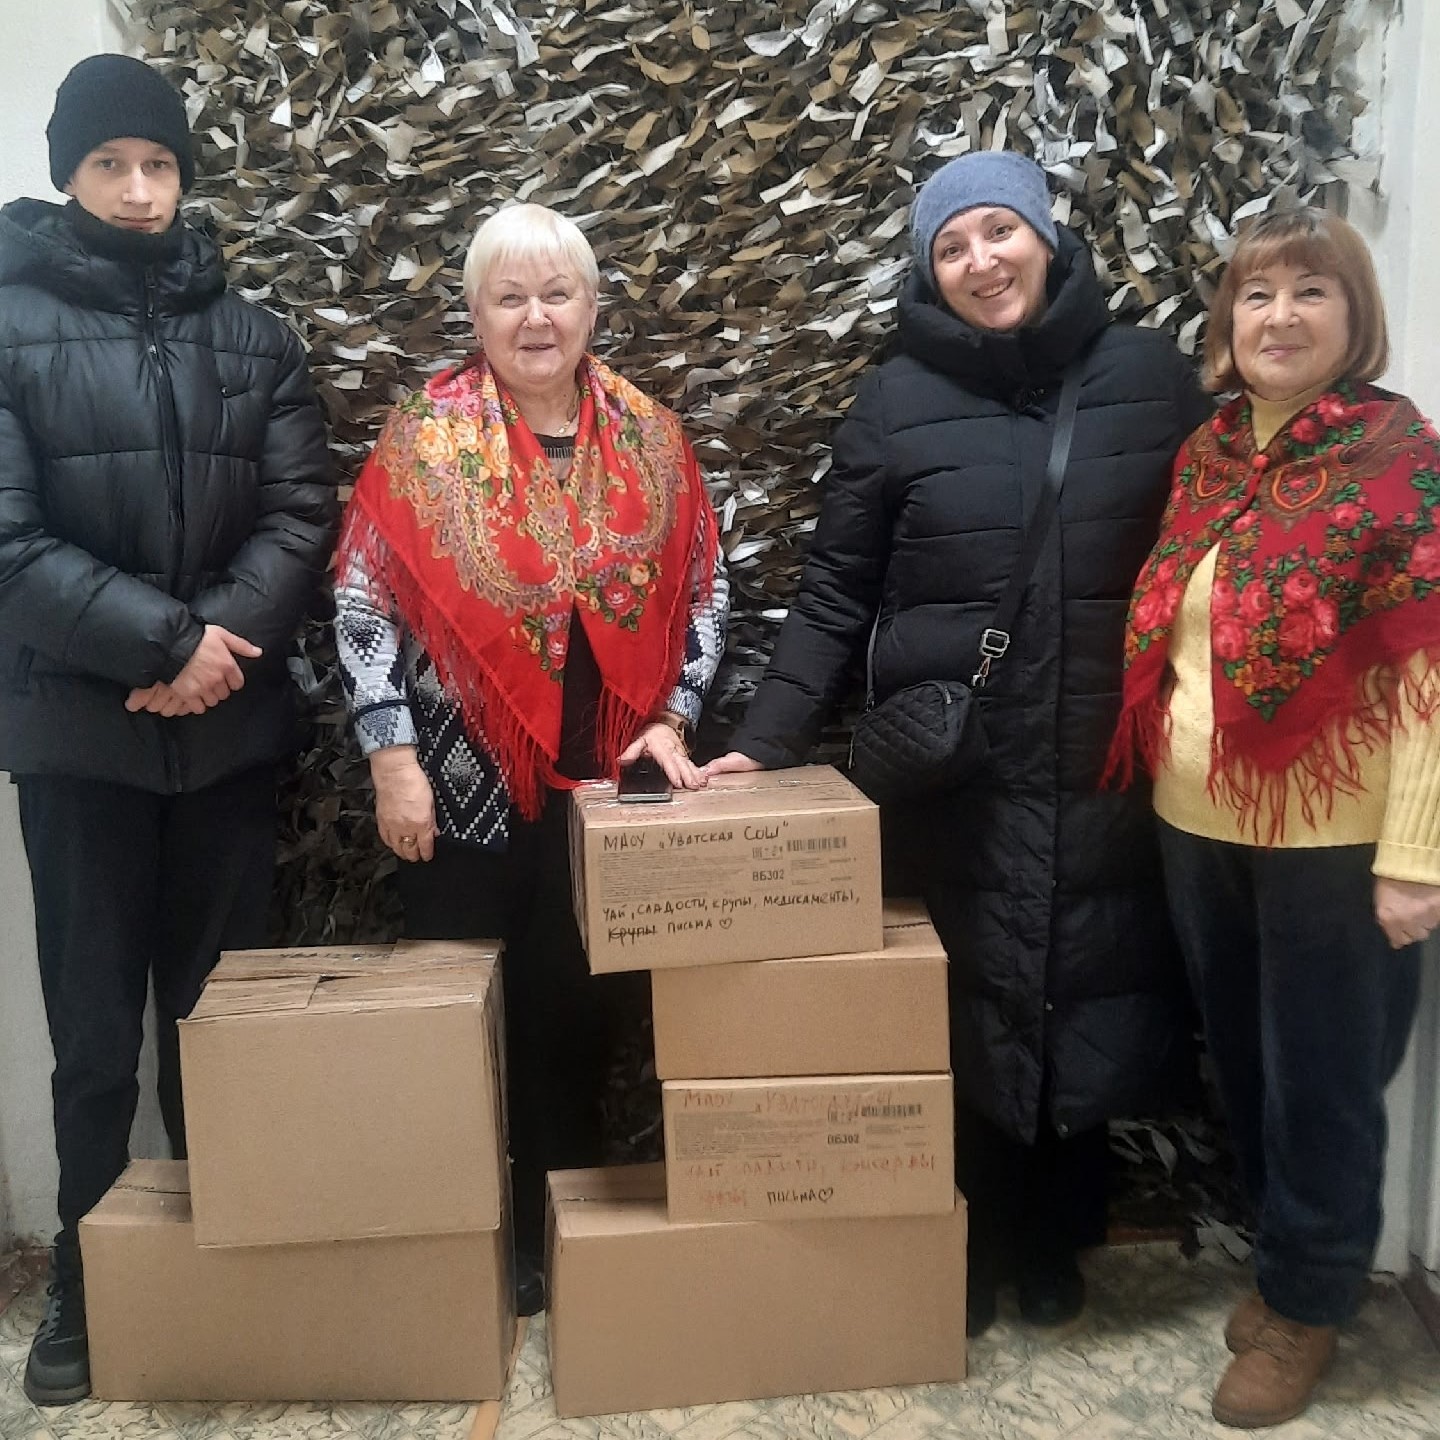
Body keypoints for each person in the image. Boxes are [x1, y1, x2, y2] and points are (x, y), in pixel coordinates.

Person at [706, 151, 1211, 1335]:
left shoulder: (1150, 378)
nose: (981, 261)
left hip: (1108, 762)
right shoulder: (896, 399)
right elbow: (837, 590)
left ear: (1046, 237)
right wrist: (767, 742)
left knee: (1091, 984)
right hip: (959, 771)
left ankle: (1062, 1234)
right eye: (951, 247)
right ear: (928, 273)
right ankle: (969, 1240)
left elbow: (1216, 553)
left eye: (998, 231)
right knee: (965, 1000)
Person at [0, 55, 335, 1403]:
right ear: (67, 174)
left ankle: (230, 1263)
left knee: (223, 1029)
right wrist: (164, 646)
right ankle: (90, 1283)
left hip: (229, 747)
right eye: (109, 165)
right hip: (80, 747)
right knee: (94, 1042)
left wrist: (210, 655)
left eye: (158, 164)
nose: (139, 191)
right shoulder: (7, 327)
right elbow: (8, 542)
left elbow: (302, 513)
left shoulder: (255, 337)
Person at [334, 202, 728, 1310]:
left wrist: (676, 715)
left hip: (604, 788)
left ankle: (565, 1231)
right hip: (458, 793)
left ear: (593, 307)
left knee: (577, 1012)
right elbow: (361, 603)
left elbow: (706, 589)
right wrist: (391, 758)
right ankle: (478, 1235)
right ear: (476, 314)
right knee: (470, 1021)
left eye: (558, 294)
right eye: (510, 298)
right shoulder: (425, 439)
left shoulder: (651, 437)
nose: (537, 317)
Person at [1107, 206, 1440, 1428]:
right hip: (1198, 819)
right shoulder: (1210, 455)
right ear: (1227, 322)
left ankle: (1311, 1302)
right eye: (1257, 295)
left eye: (1312, 291)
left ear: (1356, 315)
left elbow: (1430, 665)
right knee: (1245, 1065)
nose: (1281, 317)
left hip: (1337, 839)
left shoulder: (1400, 458)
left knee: (1326, 1083)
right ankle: (1288, 1264)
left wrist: (1416, 856)